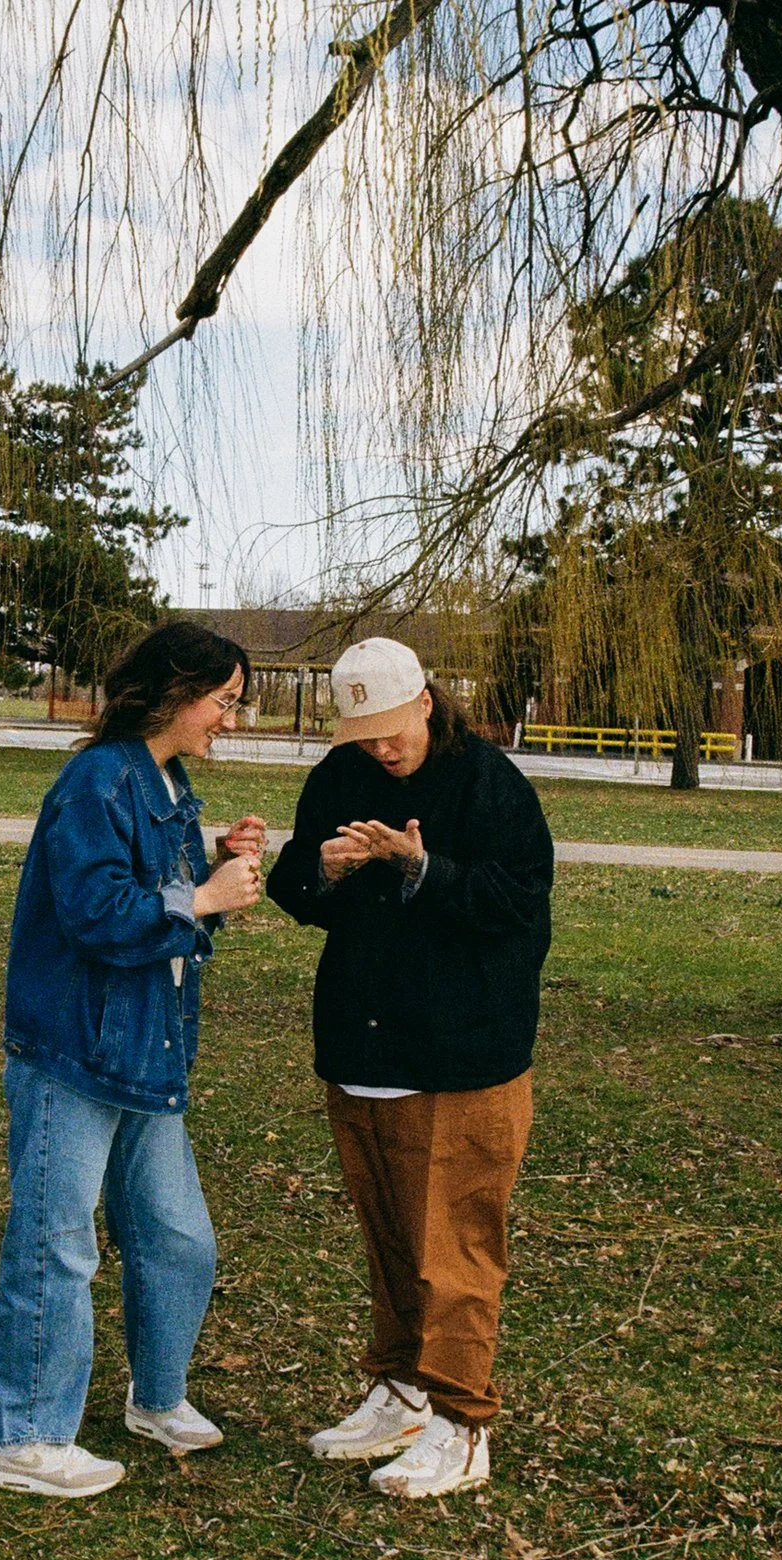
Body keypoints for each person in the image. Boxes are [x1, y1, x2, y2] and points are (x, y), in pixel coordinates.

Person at [0, 621, 269, 1498]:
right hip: (74, 1050)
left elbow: (166, 909)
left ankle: (157, 1397)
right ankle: (27, 1439)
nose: (232, 719)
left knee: (179, 1239)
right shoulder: (95, 781)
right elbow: (100, 914)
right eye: (224, 702)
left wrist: (215, 876)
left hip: (145, 1053)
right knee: (56, 1245)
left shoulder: (165, 781)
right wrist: (204, 896)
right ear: (175, 694)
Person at [264, 637, 553, 1499]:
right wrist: (323, 865)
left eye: (392, 731)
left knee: (454, 1249)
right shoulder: (339, 777)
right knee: (390, 1236)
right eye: (365, 737)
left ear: (426, 702)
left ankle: (464, 1425)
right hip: (362, 1049)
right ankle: (401, 1387)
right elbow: (293, 885)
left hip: (460, 1057)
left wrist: (423, 869)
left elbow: (519, 907)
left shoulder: (490, 784)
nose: (381, 750)